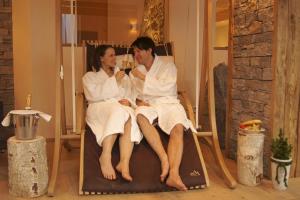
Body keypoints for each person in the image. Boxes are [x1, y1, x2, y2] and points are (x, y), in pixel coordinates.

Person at [130, 36, 195, 191]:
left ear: (149, 50)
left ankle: (173, 174)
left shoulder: (168, 67)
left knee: (178, 127)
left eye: (139, 51)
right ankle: (163, 157)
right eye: (134, 52)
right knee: (140, 115)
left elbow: (168, 88)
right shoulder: (135, 71)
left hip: (168, 102)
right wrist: (137, 102)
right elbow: (132, 92)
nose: (136, 55)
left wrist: (144, 78)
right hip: (149, 104)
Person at [82, 45, 142, 182]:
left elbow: (131, 95)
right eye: (111, 55)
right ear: (101, 58)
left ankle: (124, 163)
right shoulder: (90, 76)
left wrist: (128, 102)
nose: (115, 58)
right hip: (99, 108)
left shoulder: (122, 75)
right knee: (119, 111)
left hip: (119, 108)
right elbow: (93, 95)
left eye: (115, 55)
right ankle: (106, 155)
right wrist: (115, 81)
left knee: (129, 115)